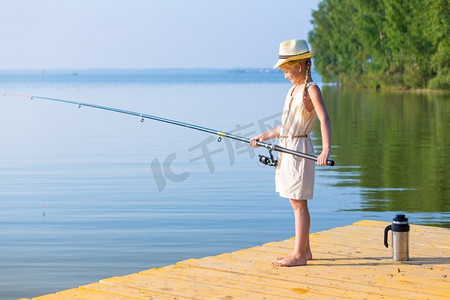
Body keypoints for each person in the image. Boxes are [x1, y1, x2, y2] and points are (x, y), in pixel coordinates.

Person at [250, 39, 331, 267]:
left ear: (299, 66)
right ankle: (305, 251)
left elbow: (324, 118)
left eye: (286, 70)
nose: (285, 75)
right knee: (295, 200)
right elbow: (285, 127)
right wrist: (264, 136)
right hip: (288, 148)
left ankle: (298, 255)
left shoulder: (310, 89)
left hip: (300, 151)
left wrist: (326, 149)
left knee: (299, 202)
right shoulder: (292, 91)